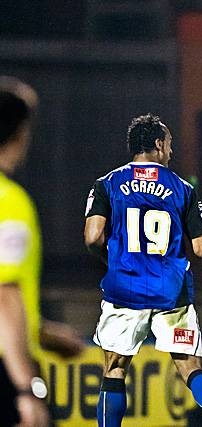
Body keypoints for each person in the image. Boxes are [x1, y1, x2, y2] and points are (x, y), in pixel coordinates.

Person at [84, 114, 202, 427]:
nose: (171, 152)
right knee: (190, 367)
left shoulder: (107, 184)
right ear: (159, 144)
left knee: (115, 370)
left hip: (125, 288)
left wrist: (113, 262)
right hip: (171, 291)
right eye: (170, 145)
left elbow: (93, 236)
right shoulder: (183, 189)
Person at [0, 77, 50, 427]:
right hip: (5, 371)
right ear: (19, 134)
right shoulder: (10, 202)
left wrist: (42, 331)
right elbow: (3, 294)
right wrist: (23, 390)